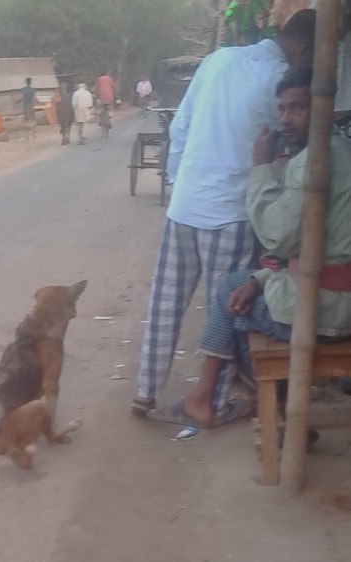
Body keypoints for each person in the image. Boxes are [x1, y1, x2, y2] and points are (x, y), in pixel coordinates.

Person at [132, 9, 317, 420]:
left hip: (185, 206)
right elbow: (286, 148)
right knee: (230, 306)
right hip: (231, 213)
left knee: (165, 303)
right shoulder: (280, 83)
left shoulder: (218, 60)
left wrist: (182, 183)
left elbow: (180, 126)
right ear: (304, 50)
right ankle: (212, 403)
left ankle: (144, 392)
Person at [148, 64, 351, 428]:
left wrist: (260, 168)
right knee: (248, 284)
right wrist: (258, 279)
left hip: (325, 313)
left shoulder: (312, 162)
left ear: (323, 108)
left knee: (228, 290)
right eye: (282, 109)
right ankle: (280, 409)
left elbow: (278, 238)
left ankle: (207, 399)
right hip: (335, 298)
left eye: (297, 108)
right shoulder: (341, 150)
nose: (286, 119)